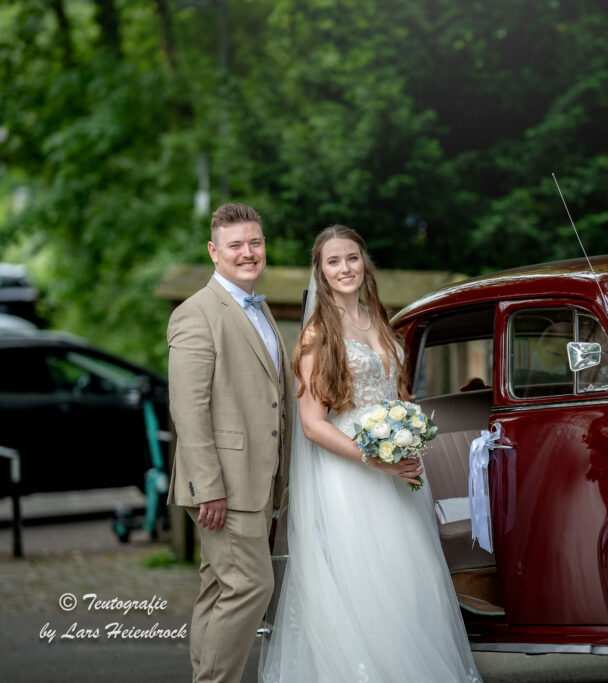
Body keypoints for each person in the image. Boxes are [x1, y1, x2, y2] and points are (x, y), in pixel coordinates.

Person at [259, 225, 481, 682]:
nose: (345, 268)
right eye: (334, 261)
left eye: (352, 258)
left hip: (395, 470)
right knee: (363, 580)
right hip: (352, 474)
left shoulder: (379, 319)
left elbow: (396, 395)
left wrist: (408, 435)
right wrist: (373, 457)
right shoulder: (318, 334)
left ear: (365, 263)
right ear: (320, 271)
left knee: (410, 575)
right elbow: (312, 423)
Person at [167, 203, 292, 683]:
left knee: (219, 589)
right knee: (250, 587)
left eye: (255, 242)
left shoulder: (256, 309)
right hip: (225, 486)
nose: (248, 253)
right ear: (213, 251)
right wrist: (208, 488)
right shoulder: (196, 314)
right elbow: (189, 410)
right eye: (236, 245)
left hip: (257, 482)